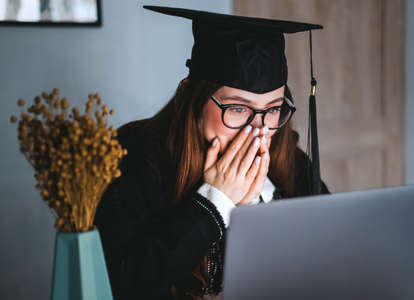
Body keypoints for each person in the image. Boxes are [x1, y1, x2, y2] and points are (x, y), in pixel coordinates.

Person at [93, 6, 330, 300]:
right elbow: (118, 282)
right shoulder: (135, 155)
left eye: (272, 109)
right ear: (193, 100)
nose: (257, 130)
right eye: (238, 108)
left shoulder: (288, 157)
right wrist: (216, 201)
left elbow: (330, 251)